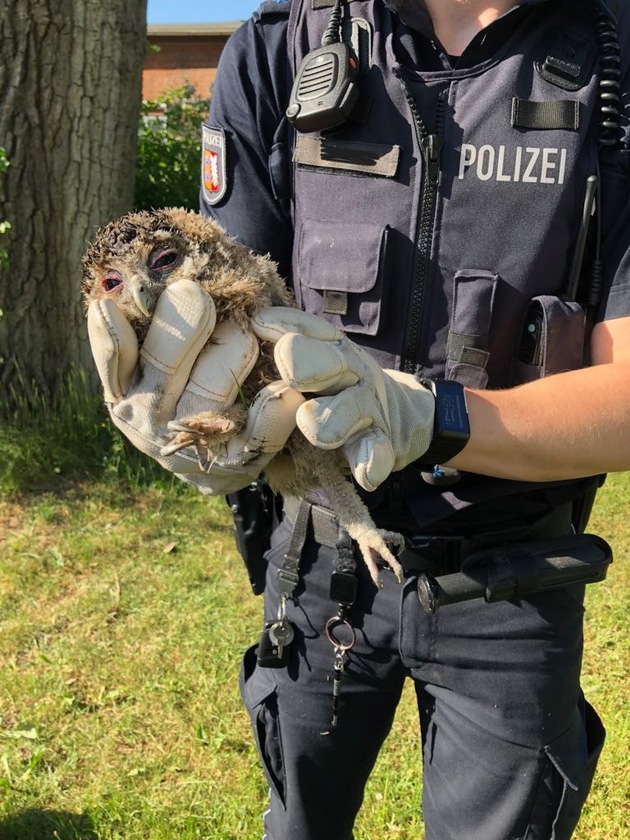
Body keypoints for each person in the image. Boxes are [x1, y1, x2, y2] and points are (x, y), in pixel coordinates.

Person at [86, 1, 630, 837]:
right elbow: (220, 306)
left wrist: (432, 415)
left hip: (518, 572)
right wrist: (188, 411)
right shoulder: (283, 46)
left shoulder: (616, 59)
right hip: (316, 561)